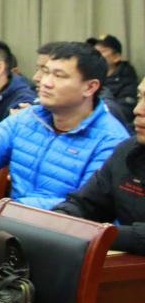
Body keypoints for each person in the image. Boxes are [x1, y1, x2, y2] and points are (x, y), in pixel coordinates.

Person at [0, 42, 129, 214]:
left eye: (59, 76)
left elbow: (85, 205)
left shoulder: (111, 140)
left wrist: (12, 208)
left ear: (90, 87)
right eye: (46, 72)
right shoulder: (29, 118)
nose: (45, 82)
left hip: (66, 228)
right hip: (13, 222)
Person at [53, 78, 145, 254]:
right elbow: (86, 204)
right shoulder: (128, 152)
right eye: (140, 97)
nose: (138, 110)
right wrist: (59, 219)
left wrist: (101, 234)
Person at [93, 35, 138, 123]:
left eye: (101, 51)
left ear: (116, 57)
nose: (95, 55)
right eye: (94, 51)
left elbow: (124, 113)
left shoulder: (127, 81)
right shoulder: (89, 77)